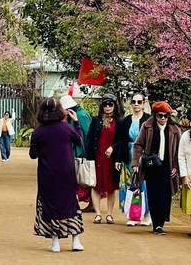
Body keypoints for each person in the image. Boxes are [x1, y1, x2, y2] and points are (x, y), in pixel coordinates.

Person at [29, 97, 85, 253]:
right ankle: (76, 240)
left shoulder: (38, 132)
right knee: (71, 203)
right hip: (67, 173)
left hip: (47, 174)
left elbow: (33, 155)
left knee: (50, 205)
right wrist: (77, 123)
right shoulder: (66, 128)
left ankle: (55, 242)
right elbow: (80, 140)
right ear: (60, 110)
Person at [132, 101, 181, 235]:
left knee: (165, 195)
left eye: (166, 116)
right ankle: (157, 225)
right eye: (160, 115)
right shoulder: (147, 126)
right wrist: (135, 164)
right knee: (153, 195)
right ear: (155, 115)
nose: (163, 118)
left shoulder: (174, 129)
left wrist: (176, 166)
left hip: (168, 166)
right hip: (151, 166)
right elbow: (138, 145)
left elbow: (178, 151)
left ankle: (162, 220)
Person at [85, 93, 122, 224]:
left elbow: (121, 140)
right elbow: (89, 139)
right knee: (95, 185)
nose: (107, 107)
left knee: (112, 186)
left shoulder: (119, 121)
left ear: (114, 106)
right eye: (105, 104)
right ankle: (98, 214)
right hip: (97, 157)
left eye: (110, 104)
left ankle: (110, 214)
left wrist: (113, 148)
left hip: (112, 159)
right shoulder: (96, 120)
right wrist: (87, 156)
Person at [114, 92, 151, 227]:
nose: (136, 104)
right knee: (129, 185)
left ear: (143, 104)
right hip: (127, 156)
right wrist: (118, 159)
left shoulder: (148, 120)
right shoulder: (126, 120)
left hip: (143, 156)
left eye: (139, 102)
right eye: (134, 102)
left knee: (144, 186)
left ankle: (146, 215)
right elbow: (121, 140)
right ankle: (132, 214)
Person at [60, 94, 94, 212]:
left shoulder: (80, 115)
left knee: (84, 177)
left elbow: (86, 134)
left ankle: (91, 203)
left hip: (81, 151)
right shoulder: (75, 115)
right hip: (76, 150)